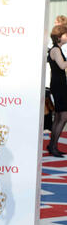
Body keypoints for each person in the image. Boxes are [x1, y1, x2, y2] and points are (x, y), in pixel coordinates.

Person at [47, 24, 67, 157]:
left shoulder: (57, 49)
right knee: (63, 116)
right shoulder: (55, 50)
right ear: (60, 36)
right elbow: (62, 65)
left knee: (60, 116)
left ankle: (52, 145)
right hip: (58, 86)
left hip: (60, 85)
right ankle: (52, 145)